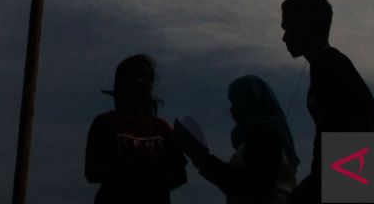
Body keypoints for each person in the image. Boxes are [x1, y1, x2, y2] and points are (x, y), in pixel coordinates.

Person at [281, 0, 374, 203]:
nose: (284, 37)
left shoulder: (329, 68)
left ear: (305, 26)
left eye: (288, 28)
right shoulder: (329, 67)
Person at [177, 74, 299, 203]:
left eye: (236, 102)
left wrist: (204, 161)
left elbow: (252, 187)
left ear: (249, 103)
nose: (231, 109)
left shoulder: (262, 135)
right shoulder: (262, 135)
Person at [85, 54, 187, 204]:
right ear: (122, 81)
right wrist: (134, 164)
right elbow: (92, 173)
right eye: (139, 76)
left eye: (149, 79)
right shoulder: (105, 123)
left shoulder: (161, 127)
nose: (146, 82)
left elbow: (180, 176)